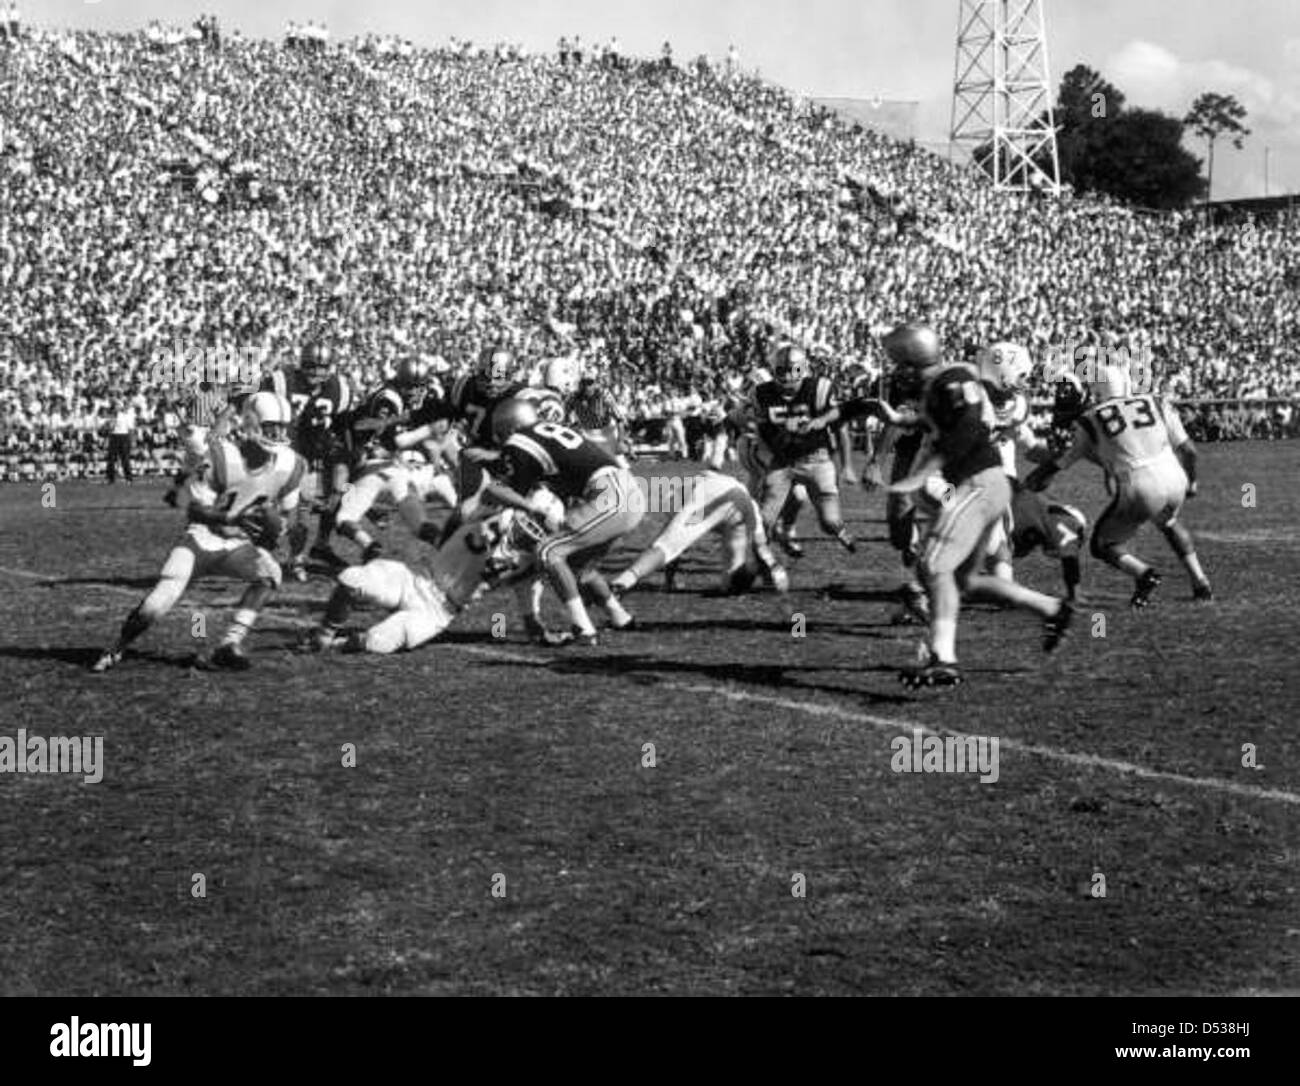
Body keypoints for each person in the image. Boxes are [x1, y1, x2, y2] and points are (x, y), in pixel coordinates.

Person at [92, 393, 304, 673]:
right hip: (202, 538)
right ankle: (117, 647)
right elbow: (195, 510)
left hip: (237, 545)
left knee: (270, 575)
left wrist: (285, 533)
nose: (278, 433)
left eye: (281, 426)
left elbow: (292, 517)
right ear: (250, 423)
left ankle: (228, 645)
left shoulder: (290, 463)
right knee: (157, 604)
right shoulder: (221, 455)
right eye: (270, 426)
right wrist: (232, 517)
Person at [1026, 364, 1213, 606]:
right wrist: (1192, 482)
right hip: (1174, 476)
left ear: (1097, 390)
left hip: (1139, 483)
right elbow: (1189, 450)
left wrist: (1036, 478)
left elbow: (1062, 461)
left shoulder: (1091, 418)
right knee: (1168, 523)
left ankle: (1144, 574)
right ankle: (1201, 583)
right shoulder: (1156, 401)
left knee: (1102, 545)